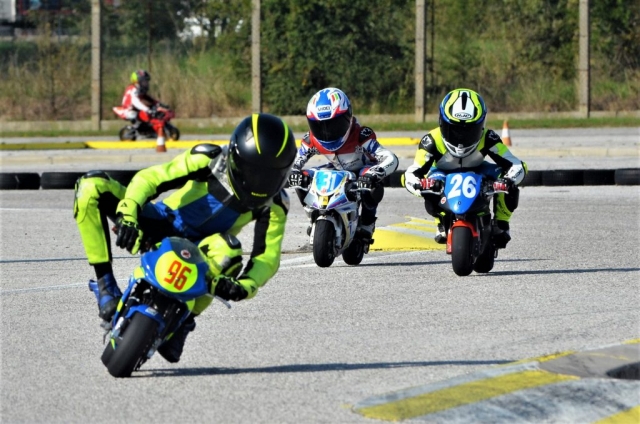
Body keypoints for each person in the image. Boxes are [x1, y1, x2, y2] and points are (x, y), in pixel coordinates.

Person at [74, 113, 297, 363]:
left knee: (230, 253)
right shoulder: (209, 158)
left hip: (201, 251)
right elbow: (151, 178)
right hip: (160, 223)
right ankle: (105, 285)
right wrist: (129, 214)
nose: (259, 184)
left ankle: (185, 323)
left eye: (269, 177)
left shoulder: (276, 204)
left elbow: (267, 257)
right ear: (235, 157)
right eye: (252, 172)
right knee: (91, 186)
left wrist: (246, 286)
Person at [403, 88, 527, 247]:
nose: (461, 137)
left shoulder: (488, 138)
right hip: (442, 173)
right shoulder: (431, 140)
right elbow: (411, 173)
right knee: (430, 182)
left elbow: (516, 164)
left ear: (481, 125)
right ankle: (441, 220)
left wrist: (508, 179)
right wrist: (420, 185)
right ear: (441, 122)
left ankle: (501, 223)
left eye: (469, 130)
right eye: (454, 129)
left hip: (478, 169)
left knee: (507, 179)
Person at [288, 87, 399, 242]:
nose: (327, 132)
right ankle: (313, 214)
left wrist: (373, 174)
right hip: (336, 170)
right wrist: (293, 172)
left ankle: (367, 224)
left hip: (362, 170)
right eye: (319, 126)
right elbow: (295, 161)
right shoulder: (310, 139)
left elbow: (390, 158)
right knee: (301, 177)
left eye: (334, 125)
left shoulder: (361, 135)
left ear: (348, 116)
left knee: (371, 186)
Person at [120, 69, 167, 149]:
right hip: (128, 109)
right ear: (137, 81)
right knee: (140, 114)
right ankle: (138, 130)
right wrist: (146, 109)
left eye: (146, 81)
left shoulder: (140, 89)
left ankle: (149, 130)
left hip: (135, 108)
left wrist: (158, 104)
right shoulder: (133, 89)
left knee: (151, 114)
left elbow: (147, 98)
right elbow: (135, 102)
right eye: (144, 81)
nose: (146, 83)